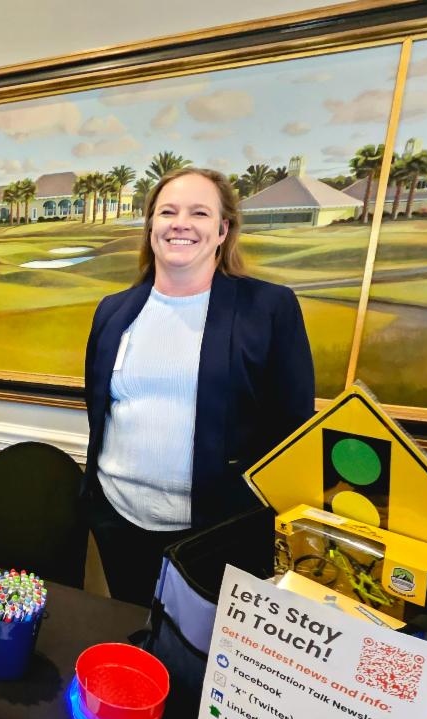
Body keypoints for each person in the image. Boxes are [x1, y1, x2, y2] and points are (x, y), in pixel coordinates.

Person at [82, 168, 314, 608]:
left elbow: (293, 426)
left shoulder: (268, 309)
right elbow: (100, 407)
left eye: (199, 213)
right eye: (167, 212)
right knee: (134, 632)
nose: (180, 224)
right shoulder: (113, 311)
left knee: (200, 645)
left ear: (223, 229)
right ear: (151, 224)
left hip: (216, 533)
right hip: (117, 519)